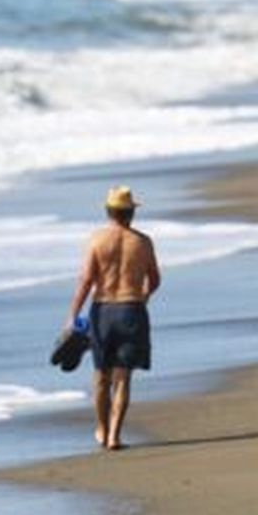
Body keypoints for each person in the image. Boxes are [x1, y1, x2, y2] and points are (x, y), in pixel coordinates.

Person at [66, 185, 161, 450]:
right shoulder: (142, 242)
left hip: (103, 311)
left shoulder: (96, 240)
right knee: (122, 377)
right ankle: (114, 436)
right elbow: (154, 280)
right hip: (132, 310)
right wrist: (142, 297)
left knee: (100, 376)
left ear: (109, 212)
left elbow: (86, 280)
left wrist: (72, 314)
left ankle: (101, 427)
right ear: (131, 212)